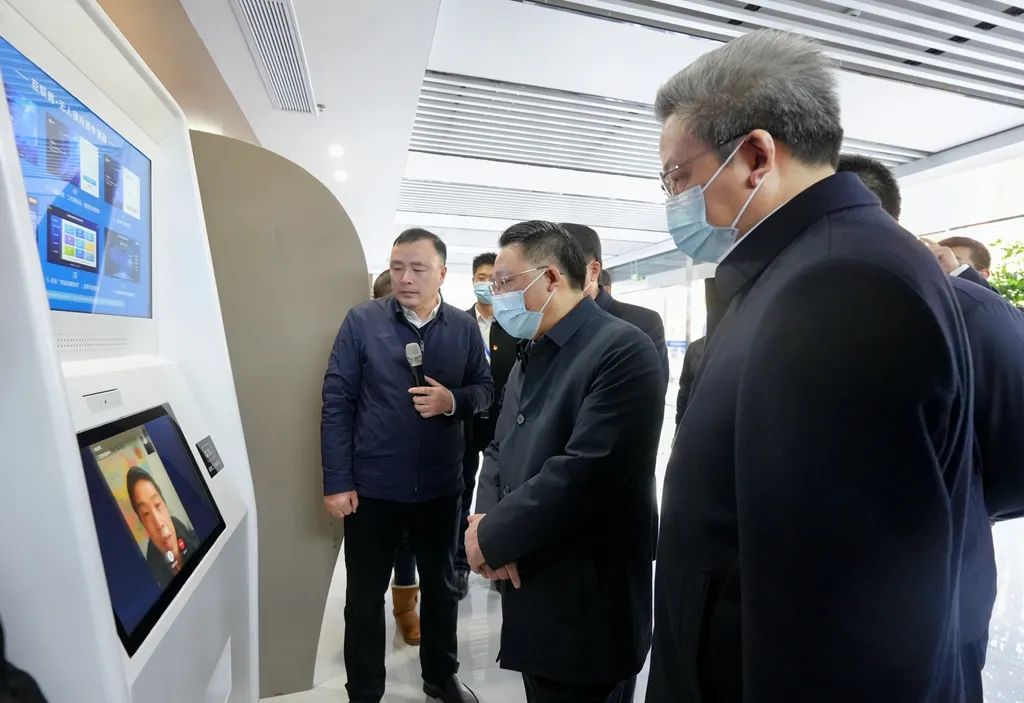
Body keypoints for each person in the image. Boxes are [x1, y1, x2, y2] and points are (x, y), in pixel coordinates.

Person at [647, 30, 976, 703]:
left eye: (677, 175)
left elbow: (837, 614)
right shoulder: (808, 264)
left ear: (756, 156)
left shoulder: (839, 284)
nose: (674, 197)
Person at [839, 153, 1024, 703]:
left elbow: (1015, 464)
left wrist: (954, 505)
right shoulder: (798, 304)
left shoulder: (970, 311)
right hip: (825, 603)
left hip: (936, 600)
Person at [464, 221, 663, 703]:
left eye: (505, 282)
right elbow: (500, 446)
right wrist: (485, 522)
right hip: (529, 571)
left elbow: (585, 471)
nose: (496, 295)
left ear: (550, 277)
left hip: (588, 594)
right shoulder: (534, 349)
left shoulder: (621, 348)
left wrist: (491, 535)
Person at [321, 228, 493, 703]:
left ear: (442, 273)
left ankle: (440, 675)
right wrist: (337, 481)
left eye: (418, 269)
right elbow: (337, 401)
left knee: (442, 588)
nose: (405, 278)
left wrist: (451, 401)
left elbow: (485, 390)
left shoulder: (462, 328)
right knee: (363, 598)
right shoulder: (362, 321)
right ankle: (364, 690)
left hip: (440, 488)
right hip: (372, 488)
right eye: (397, 268)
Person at [453, 253, 517, 600]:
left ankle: (496, 557)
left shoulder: (514, 325)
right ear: (472, 280)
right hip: (463, 422)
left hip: (503, 422)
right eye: (481, 277)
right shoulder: (458, 323)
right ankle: (460, 563)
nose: (486, 284)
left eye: (493, 278)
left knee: (501, 492)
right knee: (461, 492)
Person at [369, 269, 421, 646]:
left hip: (417, 471)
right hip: (373, 469)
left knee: (407, 544)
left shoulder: (427, 343)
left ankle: (405, 608)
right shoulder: (360, 342)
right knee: (373, 551)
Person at [561, 222, 669, 384]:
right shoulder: (545, 321)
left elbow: (651, 388)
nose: (555, 282)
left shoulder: (642, 322)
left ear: (594, 270)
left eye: (564, 271)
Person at [126, 466, 198, 589]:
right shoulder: (152, 575)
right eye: (146, 513)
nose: (159, 524)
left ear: (165, 504)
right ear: (143, 524)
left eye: (157, 505)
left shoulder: (177, 524)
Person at [674, 335, 705, 426]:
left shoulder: (695, 347)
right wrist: (679, 424)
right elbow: (684, 391)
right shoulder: (694, 347)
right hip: (692, 420)